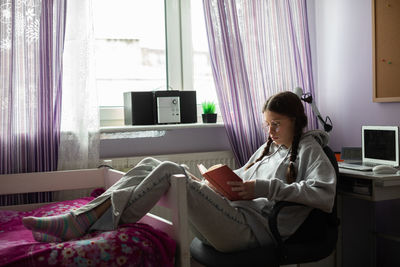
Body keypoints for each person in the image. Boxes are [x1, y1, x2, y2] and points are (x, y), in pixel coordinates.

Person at [22, 91, 336, 252]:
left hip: (253, 232)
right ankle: (88, 216)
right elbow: (241, 175)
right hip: (233, 215)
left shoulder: (309, 150)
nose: (269, 131)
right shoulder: (269, 148)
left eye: (276, 124)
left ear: (296, 120)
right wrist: (212, 181)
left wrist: (264, 188)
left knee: (169, 169)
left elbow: (324, 195)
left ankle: (87, 221)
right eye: (267, 124)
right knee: (149, 164)